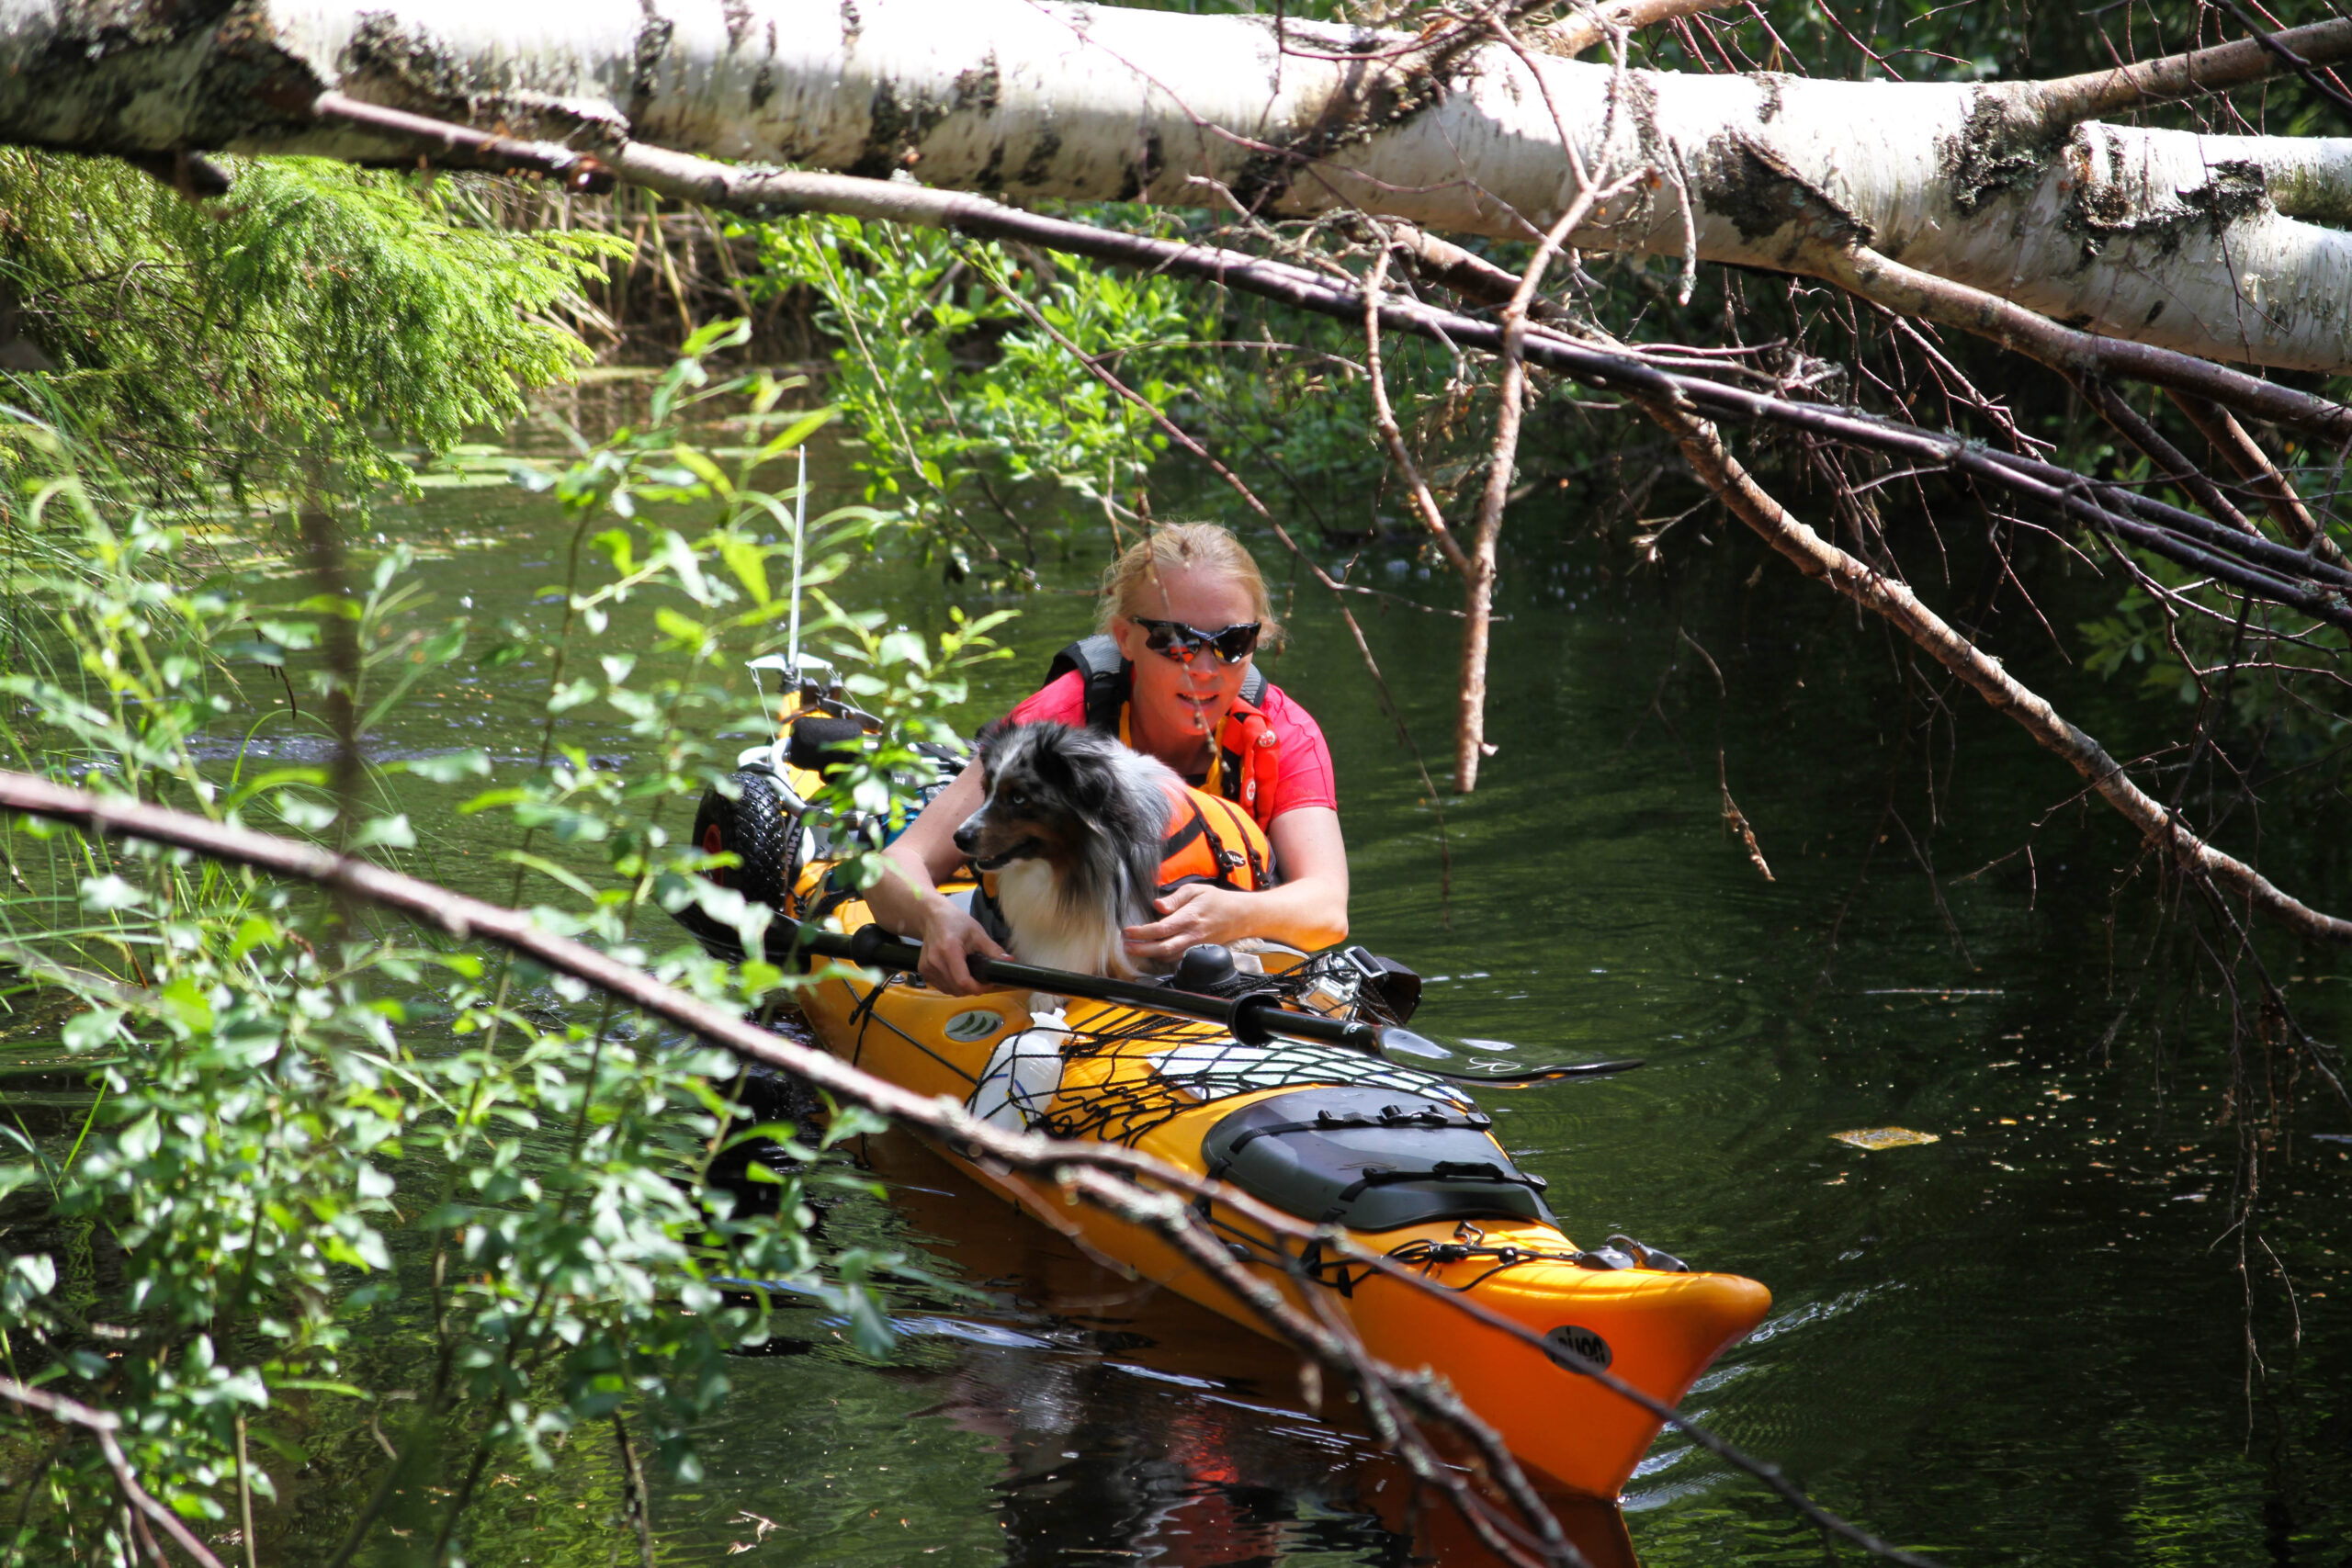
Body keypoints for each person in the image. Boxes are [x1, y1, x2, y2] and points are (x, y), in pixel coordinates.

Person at [869, 523, 1349, 995]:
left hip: (1218, 966)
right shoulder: (1053, 724)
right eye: (1175, 641)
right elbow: (896, 864)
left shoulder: (1284, 732)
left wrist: (1234, 914)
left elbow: (1328, 910)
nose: (1205, 670)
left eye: (1232, 643)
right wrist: (936, 917)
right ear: (1124, 638)